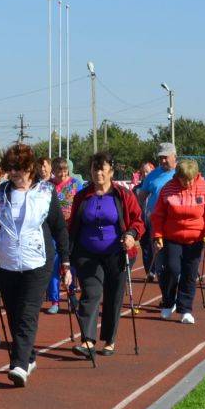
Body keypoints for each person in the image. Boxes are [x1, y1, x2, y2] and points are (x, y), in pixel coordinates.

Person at [0, 143, 70, 387]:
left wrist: (66, 261)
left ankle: (18, 364)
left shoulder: (46, 192)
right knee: (14, 313)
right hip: (7, 261)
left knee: (28, 314)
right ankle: (28, 357)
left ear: (31, 169)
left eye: (20, 170)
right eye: (12, 170)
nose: (16, 175)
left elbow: (60, 229)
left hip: (37, 262)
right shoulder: (1, 193)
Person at [68, 151, 145, 357]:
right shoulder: (82, 196)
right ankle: (87, 340)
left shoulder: (123, 195)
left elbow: (138, 220)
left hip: (117, 253)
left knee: (113, 296)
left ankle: (109, 339)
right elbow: (73, 223)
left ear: (111, 170)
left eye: (101, 168)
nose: (98, 172)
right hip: (87, 253)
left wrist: (131, 234)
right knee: (90, 293)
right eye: (94, 168)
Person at [151, 158, 205, 324]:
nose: (187, 183)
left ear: (196, 176)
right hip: (172, 237)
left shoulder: (204, 188)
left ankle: (185, 309)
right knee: (172, 270)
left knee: (189, 274)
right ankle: (168, 303)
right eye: (183, 179)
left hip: (195, 239)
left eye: (190, 179)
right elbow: (158, 215)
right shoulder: (168, 189)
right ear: (177, 176)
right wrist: (158, 236)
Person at [46, 156, 81, 314]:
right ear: (53, 170)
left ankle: (72, 296)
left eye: (65, 169)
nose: (62, 173)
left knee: (69, 265)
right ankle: (54, 300)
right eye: (59, 170)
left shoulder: (75, 184)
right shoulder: (48, 186)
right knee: (53, 265)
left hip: (70, 230)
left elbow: (82, 203)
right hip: (52, 231)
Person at [137, 144, 177, 280]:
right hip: (156, 222)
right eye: (161, 158)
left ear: (174, 156)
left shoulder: (181, 173)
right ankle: (165, 291)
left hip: (176, 222)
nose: (163, 161)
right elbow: (141, 196)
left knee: (174, 260)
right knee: (159, 256)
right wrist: (137, 214)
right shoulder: (153, 175)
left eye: (166, 157)